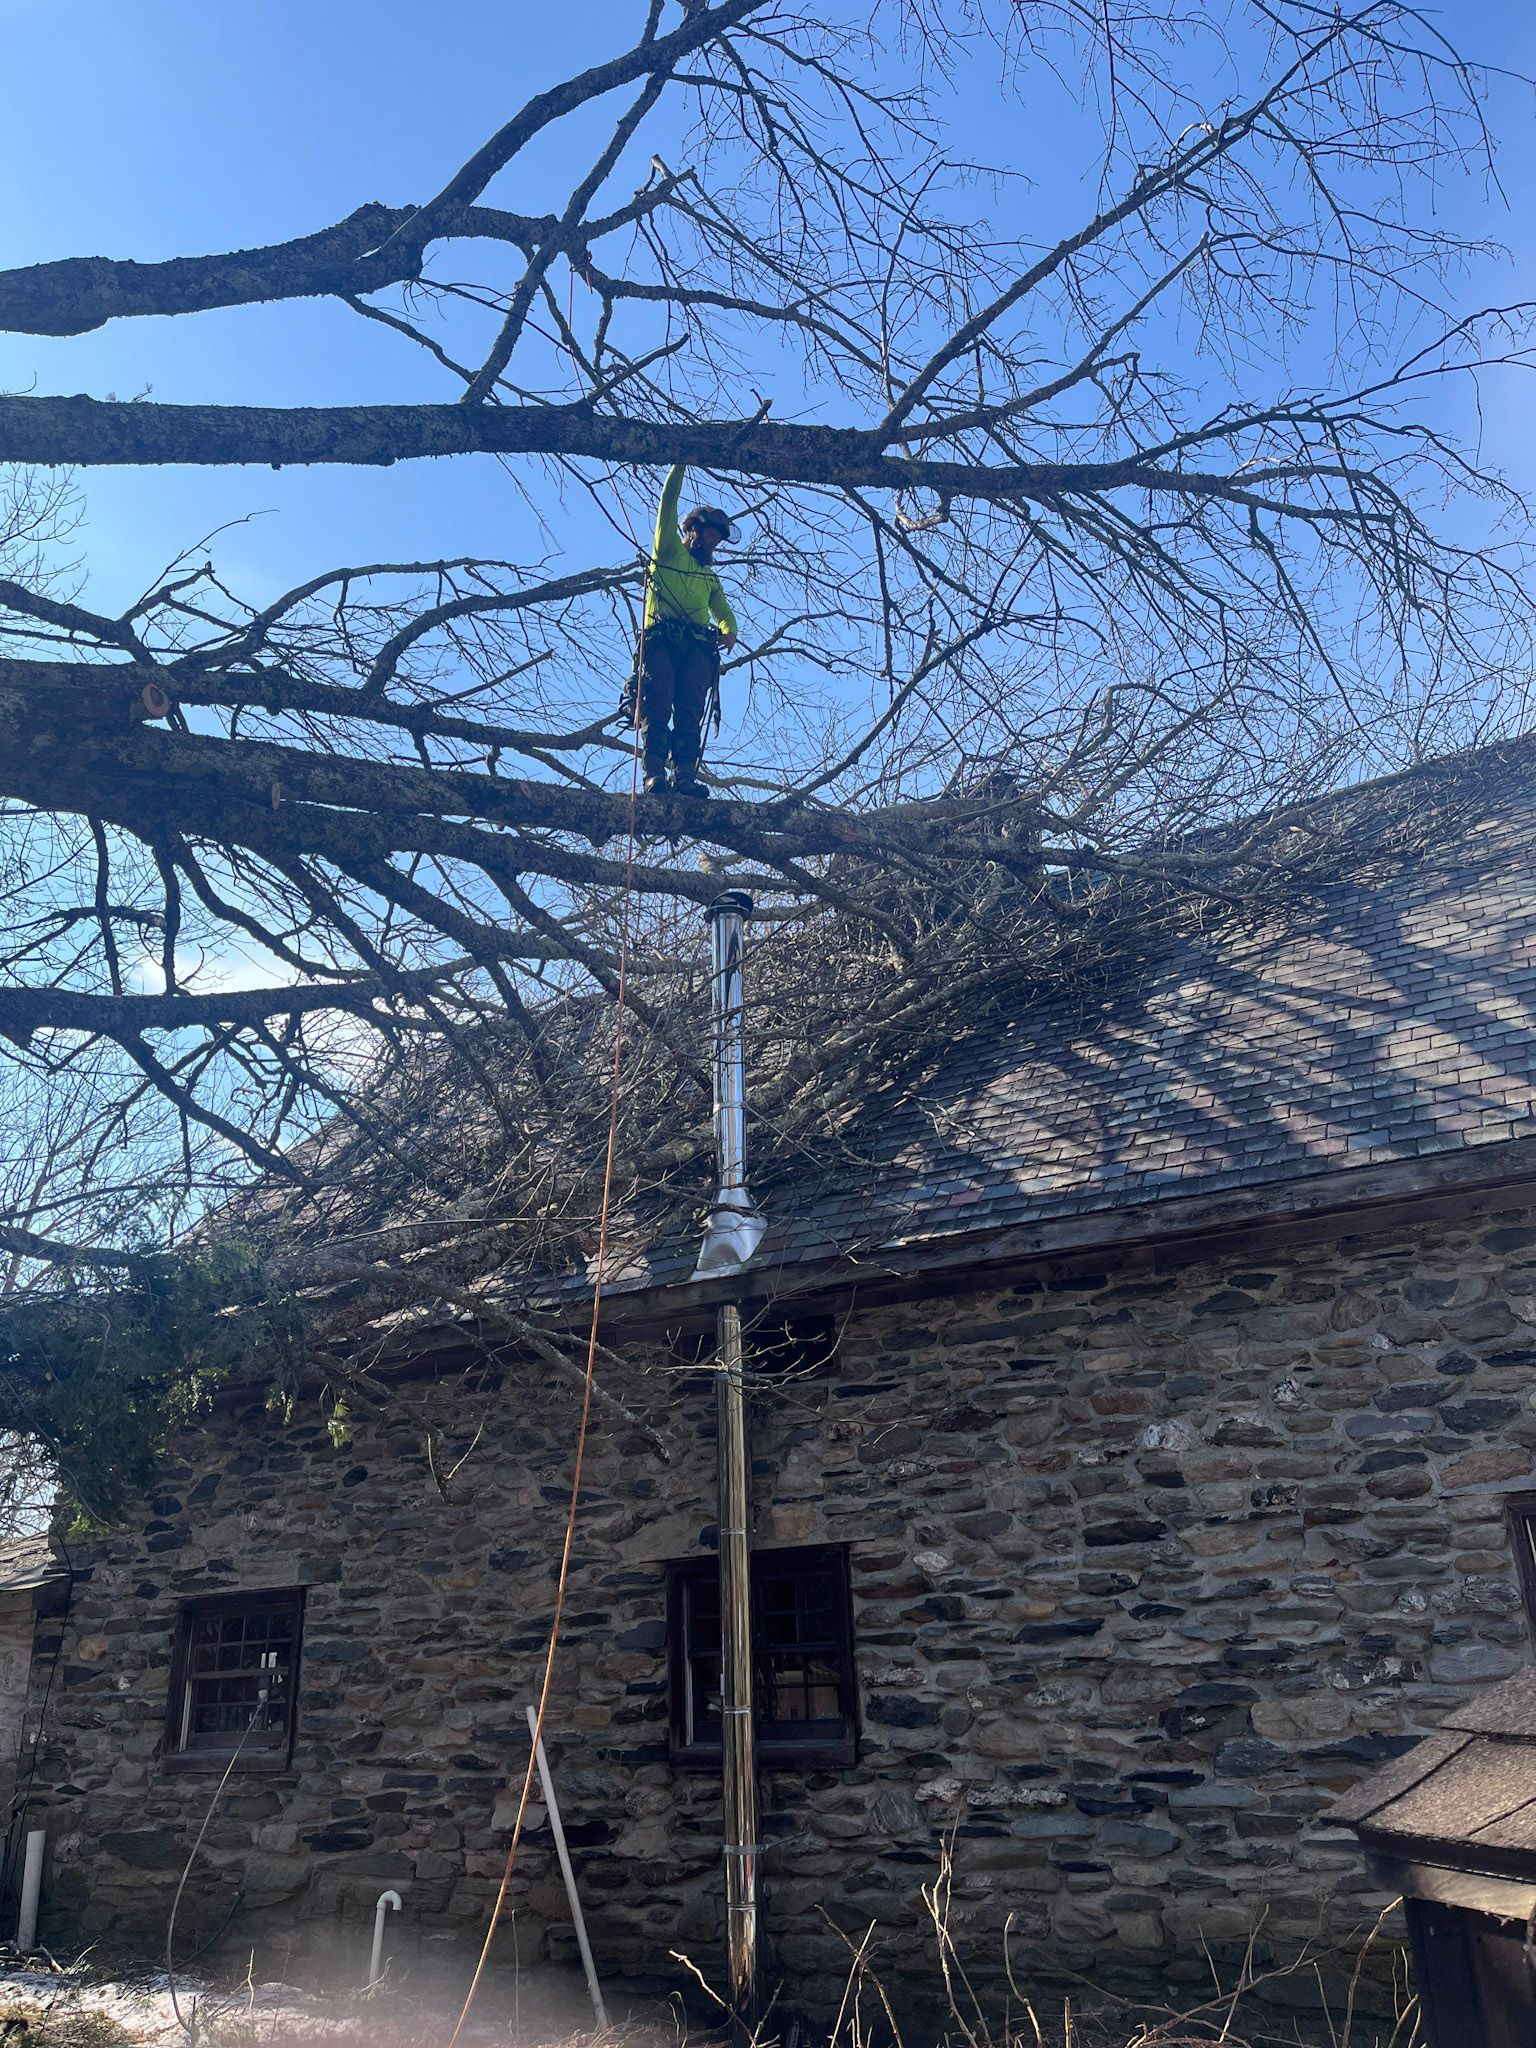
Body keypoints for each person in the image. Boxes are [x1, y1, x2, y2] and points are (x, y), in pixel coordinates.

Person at [630, 464, 738, 796]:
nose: (713, 544)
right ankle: (654, 773)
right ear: (693, 530)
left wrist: (728, 629)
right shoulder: (669, 550)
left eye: (717, 540)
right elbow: (668, 502)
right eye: (709, 536)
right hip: (661, 639)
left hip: (696, 647)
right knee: (659, 698)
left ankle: (686, 776)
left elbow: (721, 608)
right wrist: (681, 460)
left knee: (691, 708)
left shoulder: (709, 577)